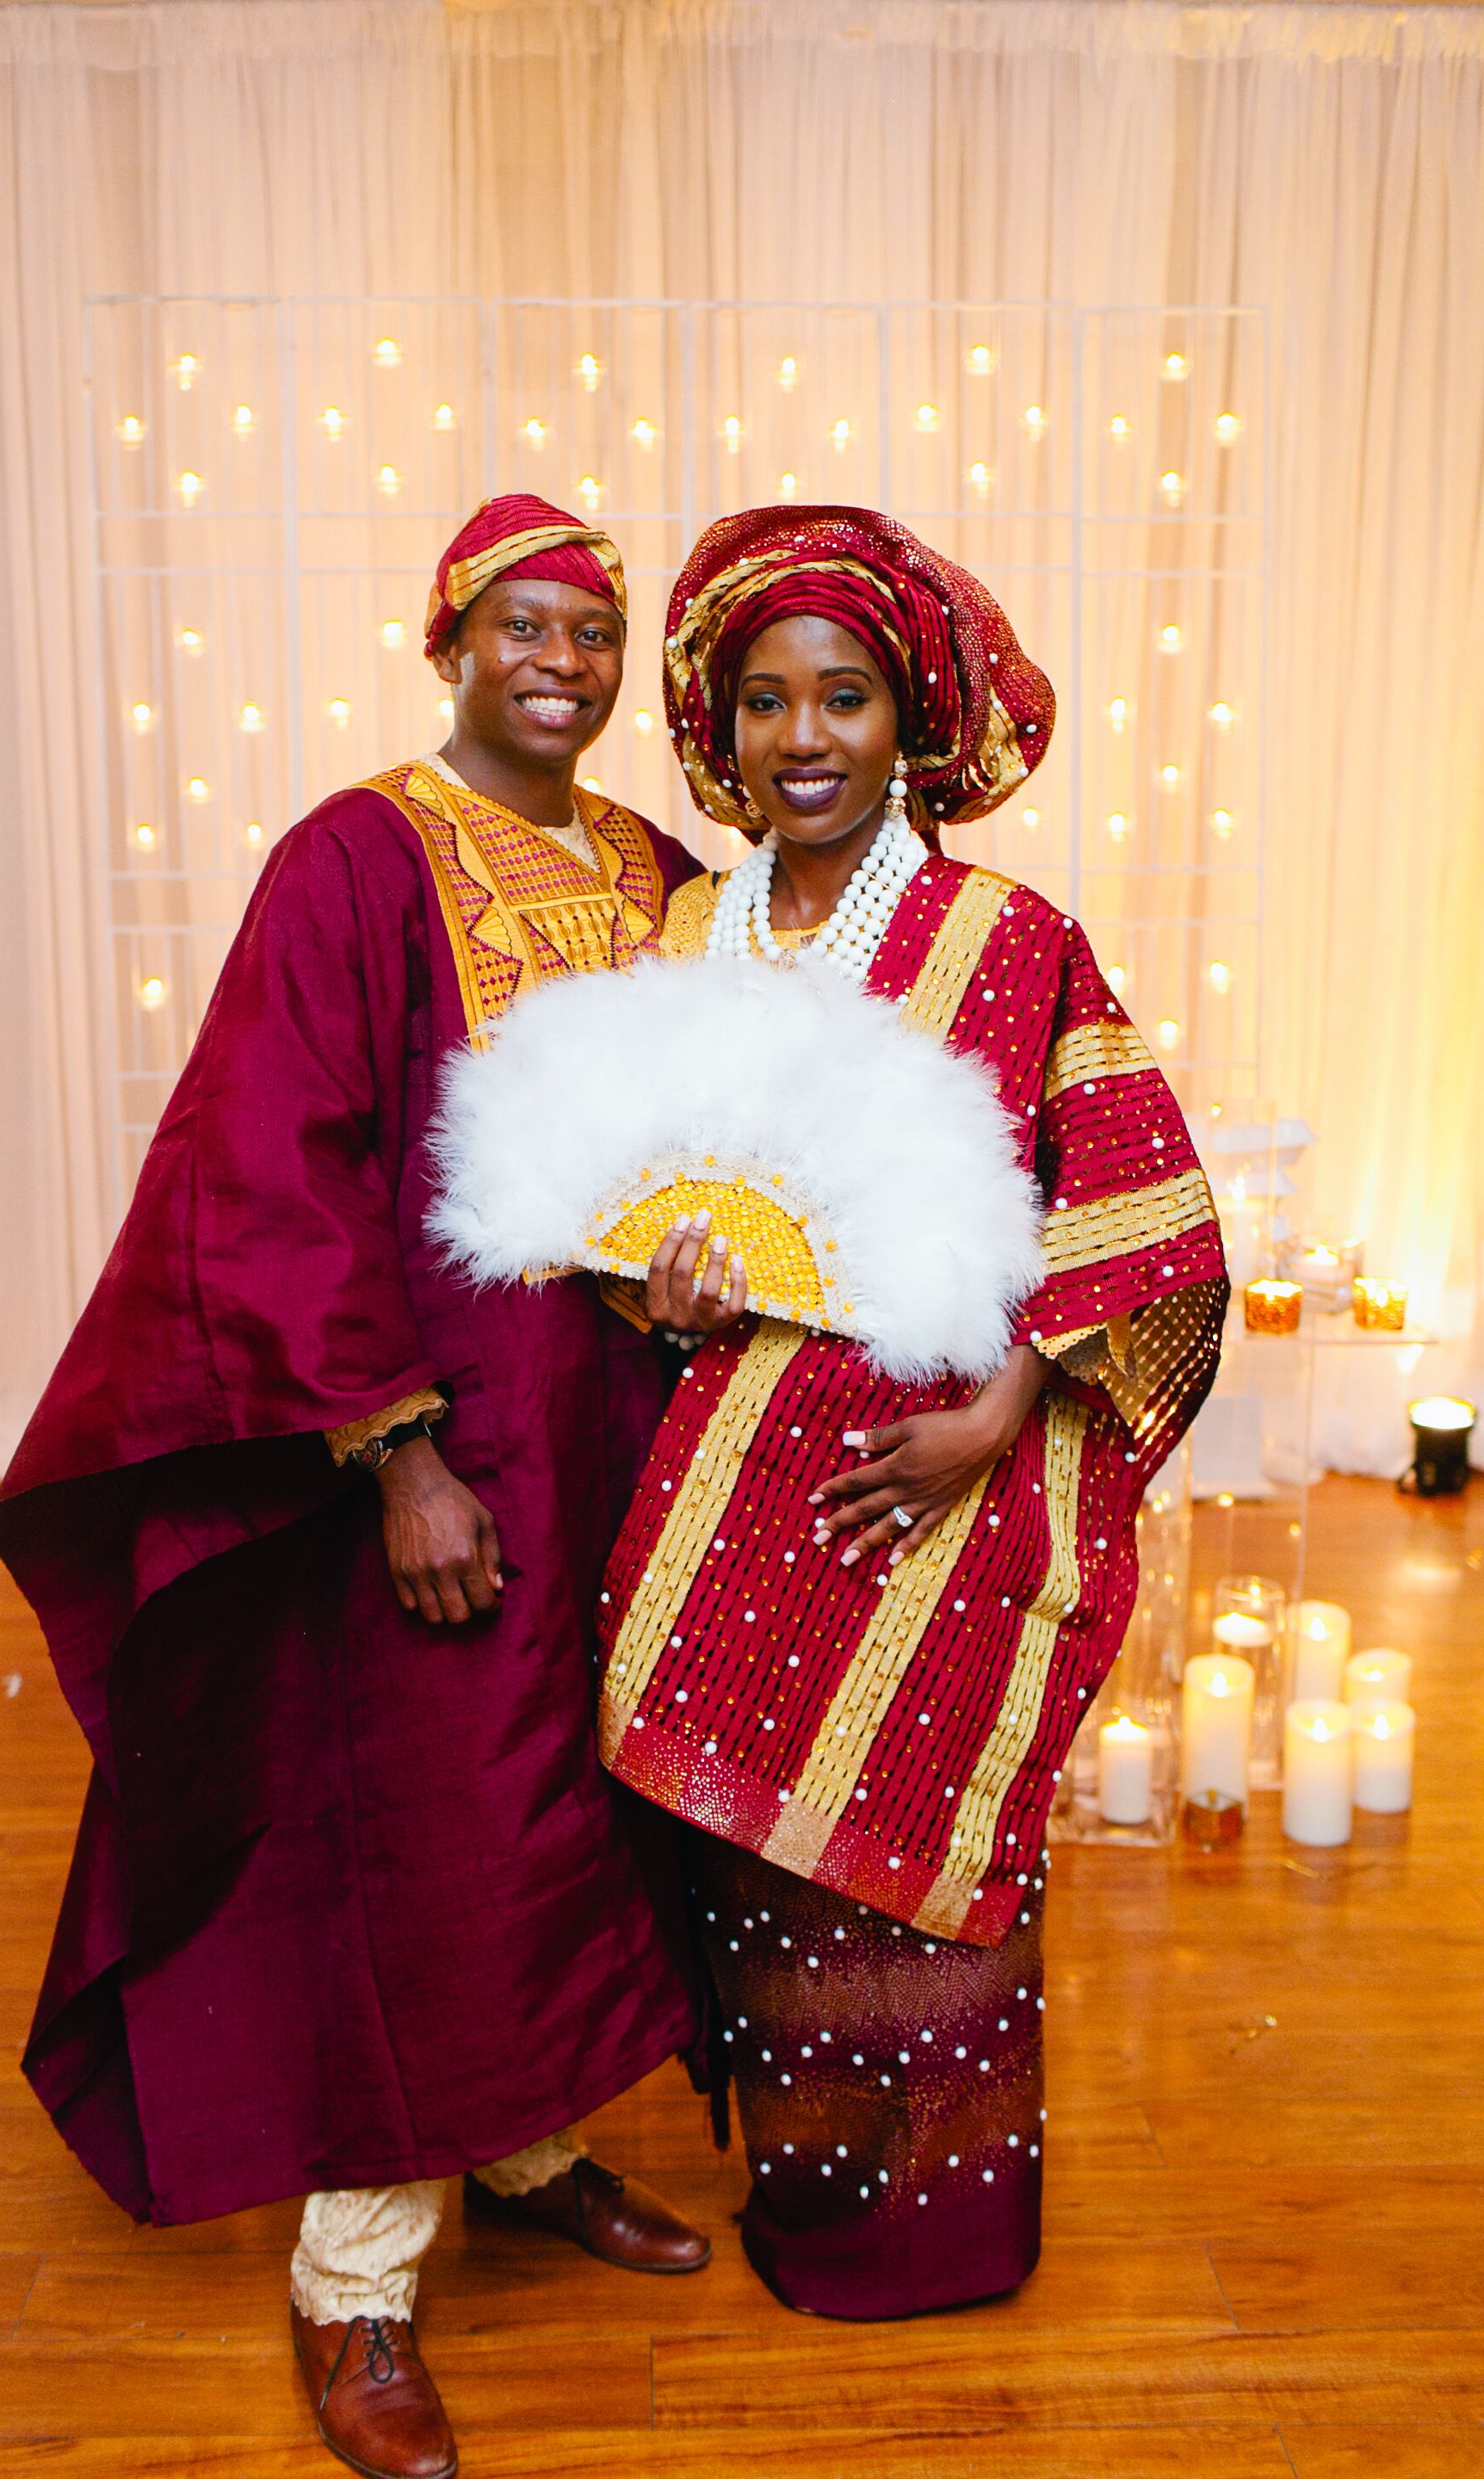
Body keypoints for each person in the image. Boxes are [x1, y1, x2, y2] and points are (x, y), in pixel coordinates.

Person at [0, 492, 710, 2479]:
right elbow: (270, 1166)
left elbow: (699, 1128)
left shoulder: (653, 863)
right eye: (524, 627)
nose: (562, 663)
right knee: (429, 1822)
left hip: (614, 1418)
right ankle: (360, 2280)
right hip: (441, 1420)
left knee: (573, 1797)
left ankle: (534, 2145)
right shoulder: (358, 855)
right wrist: (396, 1458)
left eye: (595, 633)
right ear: (448, 639)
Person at [596, 504, 1228, 2320]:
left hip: (948, 1477)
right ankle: (811, 2211)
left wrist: (998, 1418)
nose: (806, 738)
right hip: (731, 1473)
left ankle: (944, 2235)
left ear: (912, 725)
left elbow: (1136, 1214)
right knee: (766, 1884)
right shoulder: (689, 927)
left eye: (847, 699)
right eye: (768, 701)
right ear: (718, 730)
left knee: (925, 1873)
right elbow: (635, 1209)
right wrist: (666, 1286)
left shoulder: (1012, 936)